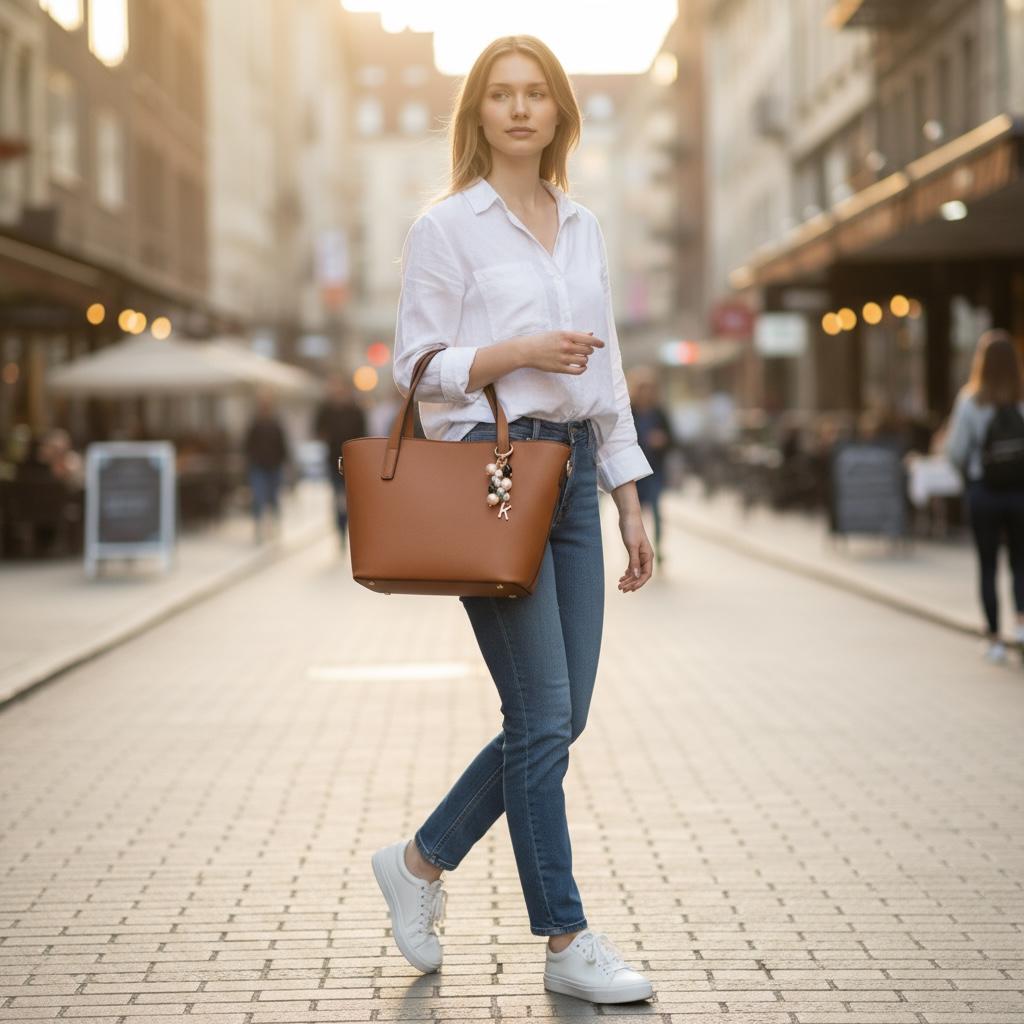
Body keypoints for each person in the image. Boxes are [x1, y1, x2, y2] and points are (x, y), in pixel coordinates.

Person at [369, 35, 656, 1005]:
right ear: (479, 113)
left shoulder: (583, 226)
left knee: (561, 718)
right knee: (539, 719)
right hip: (493, 477)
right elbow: (417, 368)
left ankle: (419, 860)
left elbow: (608, 375)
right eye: (502, 94)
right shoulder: (446, 227)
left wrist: (628, 496)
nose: (521, 108)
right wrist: (519, 349)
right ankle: (566, 937)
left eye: (537, 93)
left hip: (572, 477)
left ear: (559, 111)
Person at [944, 329, 1024, 663]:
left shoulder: (970, 400)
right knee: (1021, 562)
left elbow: (955, 451)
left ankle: (994, 639)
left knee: (988, 565)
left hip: (984, 492)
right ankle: (1021, 625)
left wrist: (969, 475)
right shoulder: (1021, 400)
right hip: (1019, 492)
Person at [313, 374, 366, 549]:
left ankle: (354, 533)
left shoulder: (355, 410)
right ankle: (341, 532)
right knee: (337, 500)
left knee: (353, 500)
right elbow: (318, 430)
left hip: (353, 462)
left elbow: (363, 434)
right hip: (333, 462)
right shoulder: (326, 410)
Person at [628, 368, 673, 564]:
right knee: (633, 513)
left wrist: (662, 440)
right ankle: (635, 549)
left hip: (654, 470)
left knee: (655, 511)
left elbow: (673, 440)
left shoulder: (659, 413)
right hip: (634, 473)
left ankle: (658, 547)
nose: (646, 393)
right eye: (642, 389)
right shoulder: (629, 412)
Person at [243, 389, 290, 543]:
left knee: (273, 497)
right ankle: (259, 526)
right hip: (258, 466)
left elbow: (283, 445)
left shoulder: (276, 424)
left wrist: (284, 462)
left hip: (274, 466)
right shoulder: (254, 424)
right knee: (258, 497)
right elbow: (247, 445)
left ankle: (274, 524)